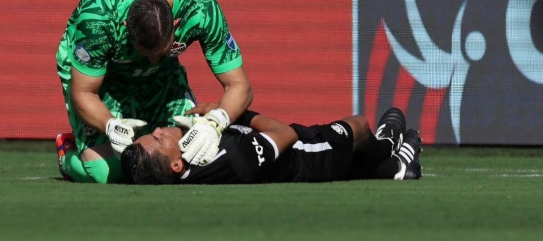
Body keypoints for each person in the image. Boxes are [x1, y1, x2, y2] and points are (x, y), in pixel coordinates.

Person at [55, 0, 253, 184]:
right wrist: (109, 124)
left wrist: (216, 123)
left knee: (194, 159)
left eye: (162, 51)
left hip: (164, 74)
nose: (152, 60)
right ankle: (68, 155)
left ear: (177, 24)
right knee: (104, 173)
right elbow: (84, 92)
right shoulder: (97, 20)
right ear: (126, 28)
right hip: (103, 75)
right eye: (145, 52)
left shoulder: (202, 8)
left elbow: (239, 85)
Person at [121, 106, 422, 184]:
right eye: (159, 138)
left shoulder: (177, 168)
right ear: (176, 165)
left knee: (359, 164)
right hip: (306, 155)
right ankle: (389, 150)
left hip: (285, 159)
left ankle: (394, 168)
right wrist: (230, 115)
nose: (161, 129)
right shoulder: (233, 159)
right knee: (358, 125)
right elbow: (285, 134)